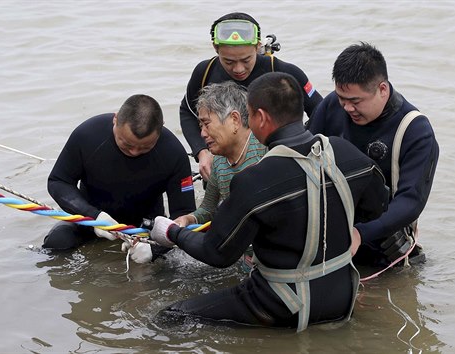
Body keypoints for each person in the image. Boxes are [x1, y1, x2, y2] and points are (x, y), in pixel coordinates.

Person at [149, 72, 388, 331]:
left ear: (260, 118)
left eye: (250, 115)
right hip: (342, 296)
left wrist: (172, 232)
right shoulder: (346, 152)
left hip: (282, 305)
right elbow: (378, 206)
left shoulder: (254, 179)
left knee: (172, 315)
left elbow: (216, 253)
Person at [307, 42, 439, 268]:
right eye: (342, 98)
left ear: (383, 89)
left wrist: (360, 233)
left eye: (356, 101)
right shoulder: (332, 105)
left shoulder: (415, 131)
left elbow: (411, 201)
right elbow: (304, 153)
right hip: (331, 233)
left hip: (383, 248)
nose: (347, 108)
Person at [43, 94, 196, 263]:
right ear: (115, 120)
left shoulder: (174, 153)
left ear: (160, 130)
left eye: (145, 147)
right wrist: (94, 216)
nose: (134, 152)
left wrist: (154, 249)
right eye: (127, 144)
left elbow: (184, 215)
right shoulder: (88, 135)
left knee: (168, 263)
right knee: (56, 243)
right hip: (91, 220)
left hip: (145, 228)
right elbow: (58, 181)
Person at [180, 12, 323, 183]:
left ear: (258, 46)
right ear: (215, 48)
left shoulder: (285, 73)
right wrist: (201, 152)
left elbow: (321, 111)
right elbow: (187, 112)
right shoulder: (204, 72)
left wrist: (301, 150)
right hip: (223, 169)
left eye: (246, 59)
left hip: (276, 167)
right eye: (229, 62)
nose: (238, 69)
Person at [174, 81, 267, 227]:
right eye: (200, 126)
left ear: (235, 120)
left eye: (207, 124)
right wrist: (187, 219)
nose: (202, 134)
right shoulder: (218, 162)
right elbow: (207, 210)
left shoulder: (266, 147)